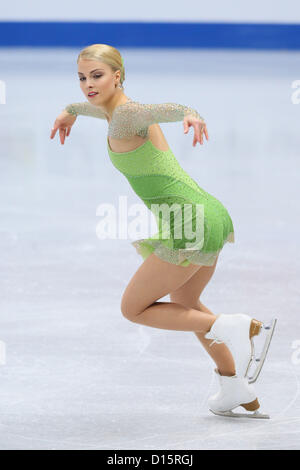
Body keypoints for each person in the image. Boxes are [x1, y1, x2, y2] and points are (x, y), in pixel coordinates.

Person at [50, 43, 276, 418]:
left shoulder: (127, 114)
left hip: (190, 221)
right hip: (208, 213)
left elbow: (167, 109)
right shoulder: (114, 113)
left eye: (97, 75)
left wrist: (191, 114)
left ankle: (236, 326)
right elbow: (91, 108)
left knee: (133, 309)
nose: (88, 84)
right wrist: (69, 111)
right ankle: (234, 386)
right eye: (82, 77)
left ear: (117, 75)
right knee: (186, 306)